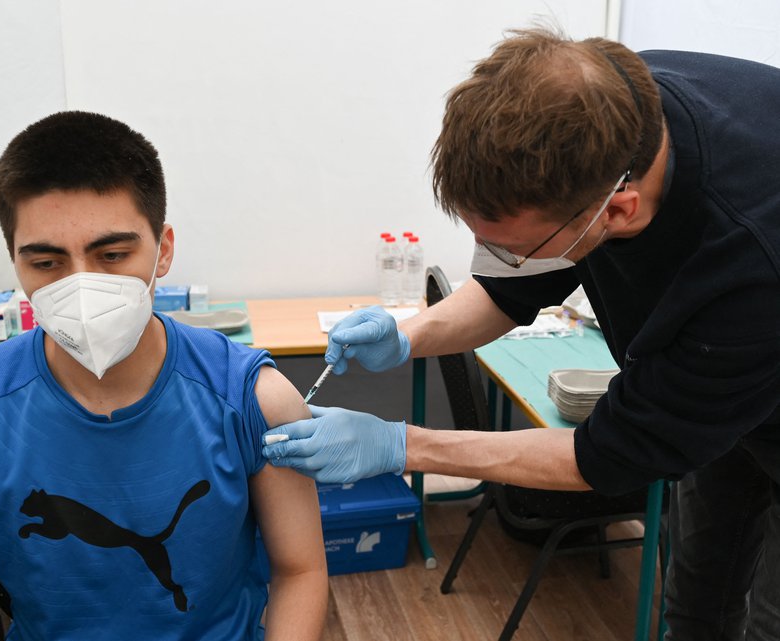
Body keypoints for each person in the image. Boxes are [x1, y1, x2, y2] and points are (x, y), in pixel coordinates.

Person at [262, 28, 780, 641]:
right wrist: (409, 335)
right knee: (696, 601)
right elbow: (511, 289)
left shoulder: (751, 260)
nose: (495, 259)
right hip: (720, 390)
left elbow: (609, 453)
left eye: (510, 248)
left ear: (617, 212)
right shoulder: (601, 105)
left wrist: (402, 445)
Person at [0, 111, 327, 640]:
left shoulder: (255, 399)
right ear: (15, 261)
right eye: (47, 263)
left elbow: (300, 571)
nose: (82, 287)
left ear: (163, 249)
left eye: (112, 254)